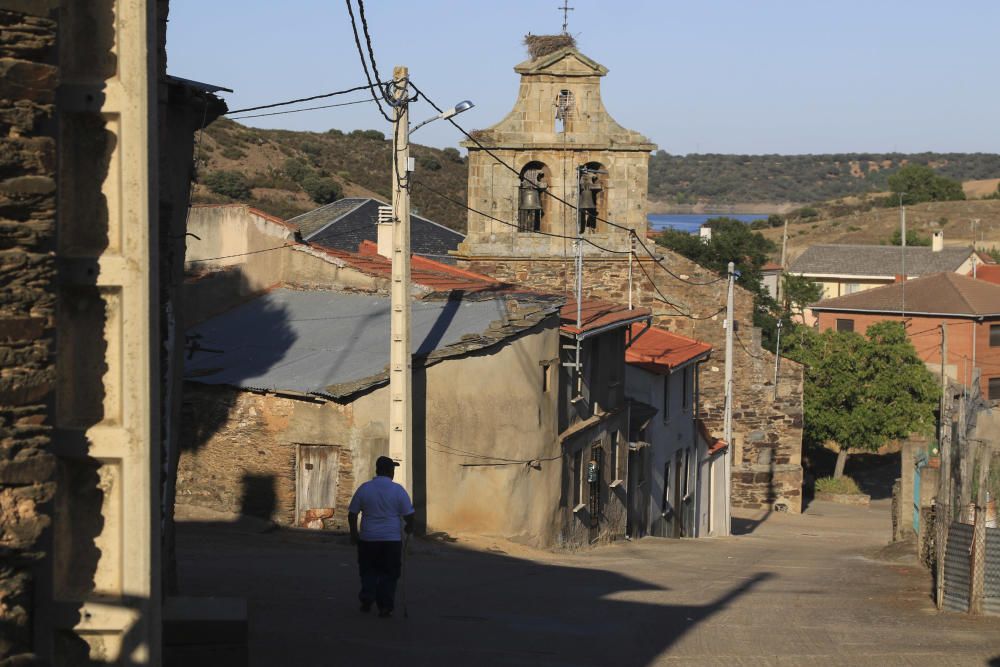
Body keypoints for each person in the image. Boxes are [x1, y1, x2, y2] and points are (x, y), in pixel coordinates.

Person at [347, 456, 415, 617]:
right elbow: (409, 515)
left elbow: (352, 514)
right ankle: (385, 605)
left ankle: (367, 598)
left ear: (377, 470)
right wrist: (409, 528)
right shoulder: (398, 490)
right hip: (391, 540)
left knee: (368, 569)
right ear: (390, 471)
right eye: (393, 469)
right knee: (389, 573)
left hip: (368, 539)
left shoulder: (365, 488)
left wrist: (354, 534)